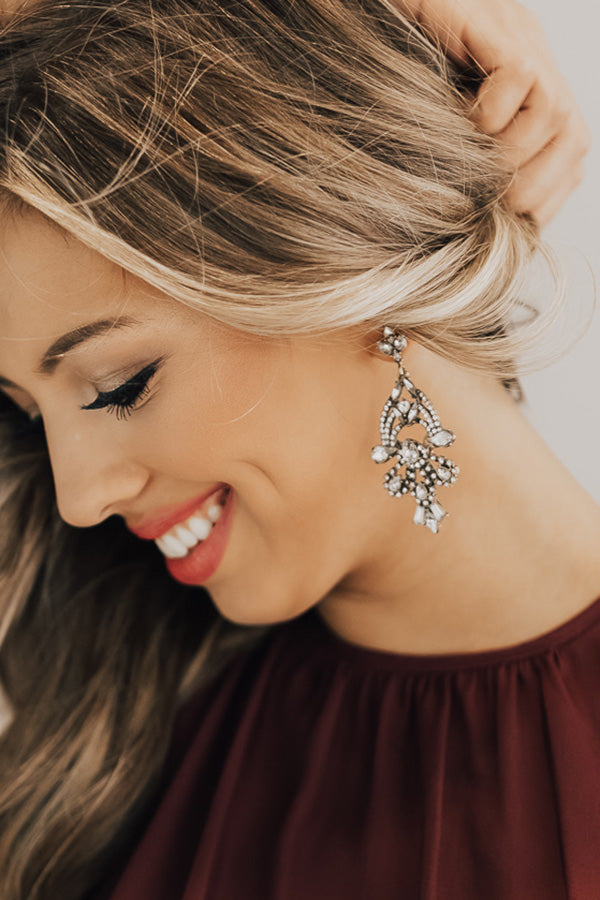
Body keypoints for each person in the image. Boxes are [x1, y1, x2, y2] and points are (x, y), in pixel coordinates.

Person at [0, 1, 598, 899]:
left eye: (120, 386)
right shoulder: (114, 746)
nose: (78, 498)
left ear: (343, 252)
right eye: (26, 413)